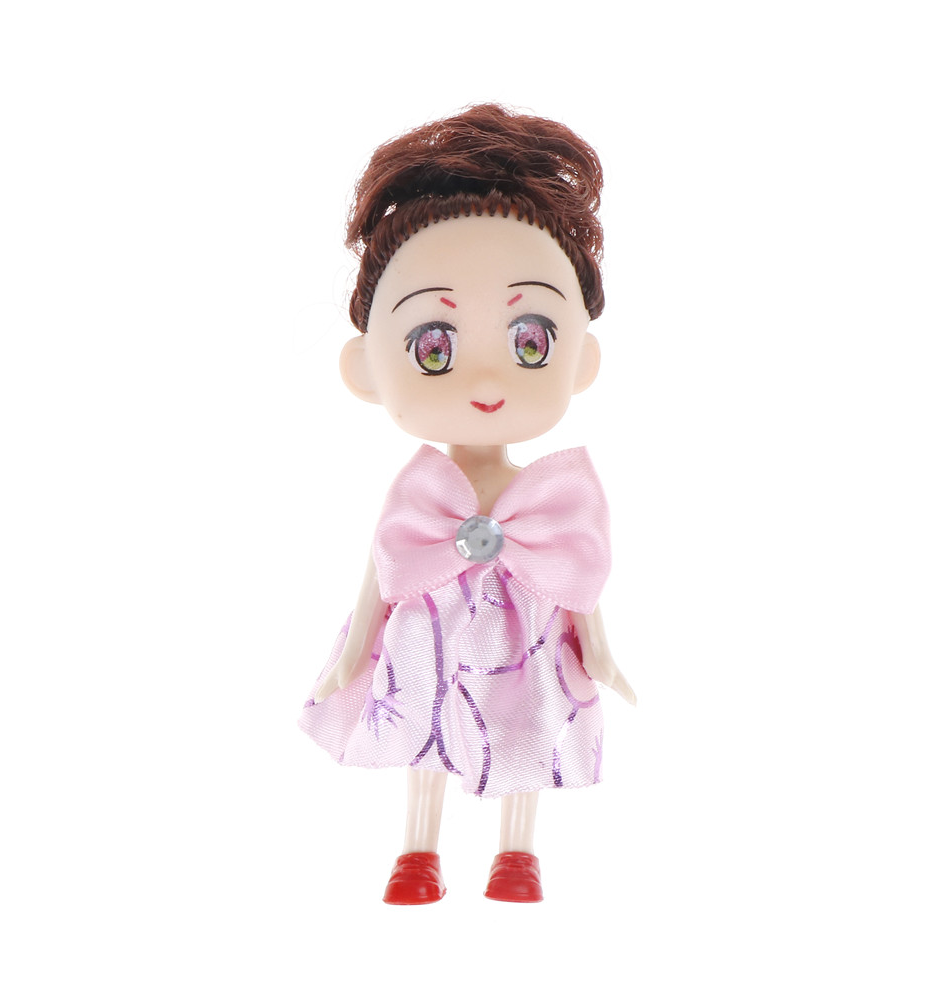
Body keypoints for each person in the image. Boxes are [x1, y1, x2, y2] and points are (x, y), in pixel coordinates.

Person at [299, 104, 635, 904]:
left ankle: (517, 854)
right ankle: (419, 850)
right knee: (422, 723)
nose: (487, 380)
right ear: (366, 368)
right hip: (428, 627)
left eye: (530, 341)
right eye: (434, 348)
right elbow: (385, 567)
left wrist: (599, 646)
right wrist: (352, 653)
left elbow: (576, 570)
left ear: (581, 360)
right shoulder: (420, 493)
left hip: (530, 630)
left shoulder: (552, 496)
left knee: (528, 726)